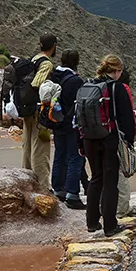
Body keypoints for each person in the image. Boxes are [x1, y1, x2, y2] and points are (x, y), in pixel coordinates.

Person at [84, 55, 136, 237]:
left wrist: (80, 143)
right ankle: (110, 225)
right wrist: (129, 142)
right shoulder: (117, 88)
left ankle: (91, 222)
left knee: (96, 178)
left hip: (89, 138)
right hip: (109, 139)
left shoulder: (88, 86)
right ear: (117, 71)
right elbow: (127, 118)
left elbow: (78, 117)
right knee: (110, 181)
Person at [49, 49, 87, 209]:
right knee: (75, 158)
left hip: (56, 122)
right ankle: (72, 194)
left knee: (59, 155)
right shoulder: (75, 81)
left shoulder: (53, 76)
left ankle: (58, 189)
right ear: (76, 62)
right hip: (71, 125)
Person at [23, 34, 56, 190]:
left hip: (27, 108)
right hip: (39, 110)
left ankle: (25, 180)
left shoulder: (34, 58)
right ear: (53, 46)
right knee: (40, 148)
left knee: (27, 145)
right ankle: (42, 186)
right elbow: (37, 84)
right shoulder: (46, 64)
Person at [116, 65, 136, 218]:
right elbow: (128, 114)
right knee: (123, 171)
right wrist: (132, 135)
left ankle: (102, 206)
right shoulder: (123, 89)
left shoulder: (100, 85)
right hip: (120, 137)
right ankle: (123, 208)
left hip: (101, 136)